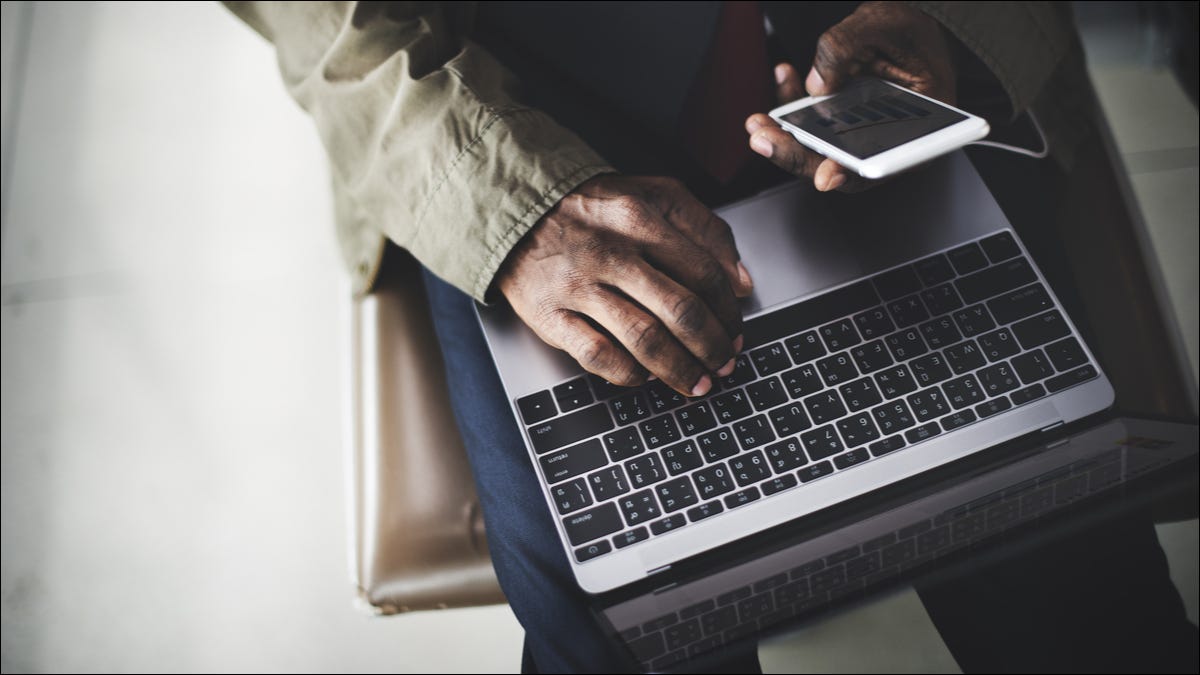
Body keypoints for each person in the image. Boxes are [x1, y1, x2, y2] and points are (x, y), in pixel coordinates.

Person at [225, 2, 1152, 671]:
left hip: (859, 44)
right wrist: (507, 204)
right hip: (501, 99)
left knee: (1052, 534)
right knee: (630, 612)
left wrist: (943, 19)